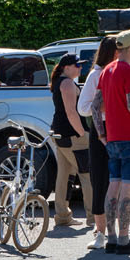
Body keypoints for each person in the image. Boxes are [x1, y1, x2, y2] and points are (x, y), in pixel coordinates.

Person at [100, 30, 130, 255]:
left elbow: (95, 105)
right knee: (128, 189)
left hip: (112, 136)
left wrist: (102, 133)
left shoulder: (106, 70)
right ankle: (124, 239)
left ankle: (111, 238)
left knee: (114, 186)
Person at [76, 36, 118, 250]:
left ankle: (113, 231)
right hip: (101, 131)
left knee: (118, 181)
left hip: (117, 130)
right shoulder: (96, 74)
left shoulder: (117, 72)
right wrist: (104, 106)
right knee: (101, 181)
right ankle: (100, 232)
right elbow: (82, 108)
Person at [49, 54, 93, 228]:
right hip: (72, 135)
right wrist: (82, 133)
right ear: (66, 67)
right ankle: (93, 217)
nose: (80, 68)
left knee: (65, 174)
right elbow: (71, 112)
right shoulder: (66, 83)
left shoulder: (62, 81)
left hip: (61, 133)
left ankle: (62, 216)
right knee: (87, 175)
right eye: (77, 65)